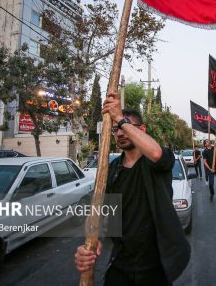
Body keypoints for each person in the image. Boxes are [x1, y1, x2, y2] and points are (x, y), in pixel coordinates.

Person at [75, 92, 190, 285]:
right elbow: (97, 210)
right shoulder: (110, 170)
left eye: (124, 127)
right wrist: (90, 243)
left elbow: (155, 153)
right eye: (115, 130)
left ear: (142, 130)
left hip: (156, 268)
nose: (119, 133)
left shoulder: (159, 160)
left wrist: (119, 118)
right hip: (121, 265)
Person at [202, 139, 216, 204]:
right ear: (205, 144)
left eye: (209, 141)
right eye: (207, 141)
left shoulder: (214, 148)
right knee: (211, 184)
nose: (209, 141)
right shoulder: (204, 152)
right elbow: (204, 162)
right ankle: (212, 193)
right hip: (210, 169)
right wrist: (210, 169)